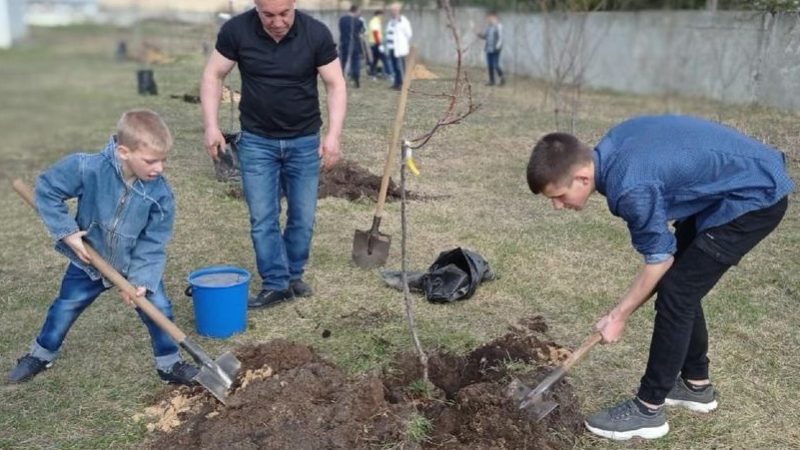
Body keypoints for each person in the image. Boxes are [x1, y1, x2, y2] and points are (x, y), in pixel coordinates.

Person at [526, 115, 794, 440]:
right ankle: (696, 385)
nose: (557, 206)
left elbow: (659, 259)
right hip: (733, 184)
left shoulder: (629, 188)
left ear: (583, 178)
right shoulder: (611, 147)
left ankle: (648, 409)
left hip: (755, 196)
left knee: (677, 293)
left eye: (559, 196)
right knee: (679, 286)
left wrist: (618, 316)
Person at [7, 109, 200, 386]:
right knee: (66, 307)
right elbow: (48, 191)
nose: (159, 168)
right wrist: (68, 232)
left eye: (163, 160)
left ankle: (169, 365)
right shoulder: (88, 168)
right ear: (124, 152)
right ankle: (40, 354)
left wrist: (142, 280)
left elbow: (153, 241)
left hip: (132, 264)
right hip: (88, 259)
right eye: (151, 161)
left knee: (159, 311)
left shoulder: (161, 194)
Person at [201, 0, 346, 309]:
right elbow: (214, 74)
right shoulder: (236, 31)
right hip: (256, 142)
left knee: (303, 218)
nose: (278, 21)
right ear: (256, 7)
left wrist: (333, 136)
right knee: (263, 218)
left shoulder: (316, 33)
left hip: (304, 141)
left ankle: (293, 276)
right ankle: (276, 283)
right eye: (268, 15)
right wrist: (211, 126)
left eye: (284, 13)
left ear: (294, 4)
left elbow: (335, 84)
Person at [384, 2, 412, 90]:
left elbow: (409, 34)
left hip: (399, 49)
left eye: (395, 10)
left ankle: (403, 84)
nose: (393, 12)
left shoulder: (403, 21)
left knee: (400, 67)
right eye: (392, 10)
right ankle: (396, 83)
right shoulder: (391, 21)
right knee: (394, 67)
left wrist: (403, 43)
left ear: (399, 10)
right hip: (391, 48)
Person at [338, 5, 365, 88]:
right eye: (359, 11)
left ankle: (342, 80)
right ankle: (356, 79)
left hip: (344, 44)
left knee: (343, 62)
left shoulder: (342, 20)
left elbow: (341, 31)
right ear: (355, 11)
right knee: (355, 63)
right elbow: (362, 31)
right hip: (355, 45)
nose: (360, 13)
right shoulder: (359, 21)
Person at [476, 11, 504, 86]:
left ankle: (502, 79)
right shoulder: (488, 27)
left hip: (495, 49)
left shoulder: (499, 27)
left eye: (491, 18)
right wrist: (478, 34)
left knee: (495, 65)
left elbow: (500, 38)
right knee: (490, 65)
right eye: (488, 18)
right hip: (488, 49)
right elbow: (485, 36)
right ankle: (492, 81)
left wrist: (498, 47)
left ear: (495, 18)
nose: (489, 20)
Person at [367, 10, 391, 79]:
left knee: (375, 60)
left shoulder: (375, 21)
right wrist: (379, 44)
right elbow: (375, 33)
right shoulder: (375, 21)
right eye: (382, 15)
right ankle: (389, 74)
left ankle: (372, 75)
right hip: (377, 44)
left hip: (374, 44)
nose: (383, 17)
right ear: (379, 15)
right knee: (384, 59)